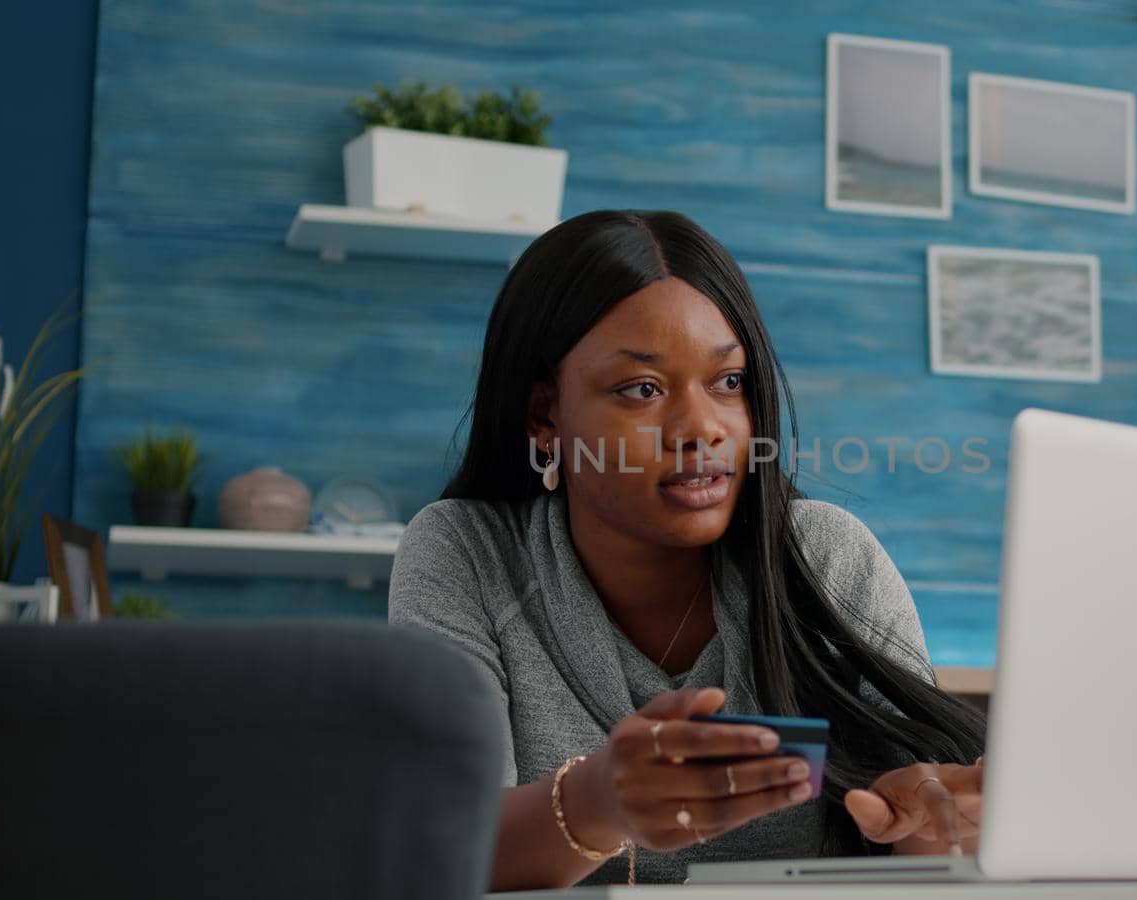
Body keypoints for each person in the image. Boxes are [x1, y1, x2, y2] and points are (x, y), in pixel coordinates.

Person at [389, 209, 986, 891]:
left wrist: (937, 832)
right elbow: (434, 845)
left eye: (728, 382)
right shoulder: (465, 553)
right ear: (545, 415)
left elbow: (913, 844)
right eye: (642, 389)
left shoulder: (827, 557)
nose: (702, 427)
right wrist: (599, 802)